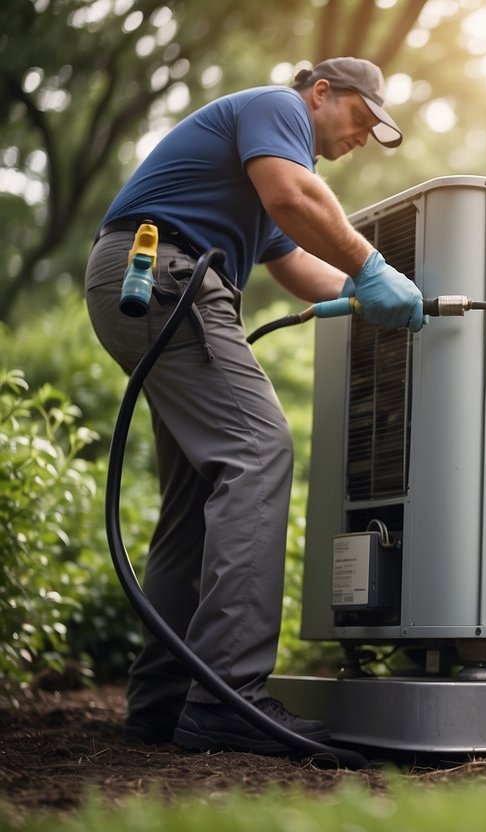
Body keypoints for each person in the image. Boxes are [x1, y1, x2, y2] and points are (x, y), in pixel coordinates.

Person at [84, 57, 424, 757]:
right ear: (322, 92)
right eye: (361, 118)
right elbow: (294, 200)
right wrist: (373, 265)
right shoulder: (278, 110)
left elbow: (293, 261)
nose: (362, 135)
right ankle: (228, 697)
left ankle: (166, 700)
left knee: (195, 497)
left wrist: (371, 299)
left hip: (151, 283)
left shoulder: (260, 160)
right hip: (168, 276)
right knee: (258, 451)